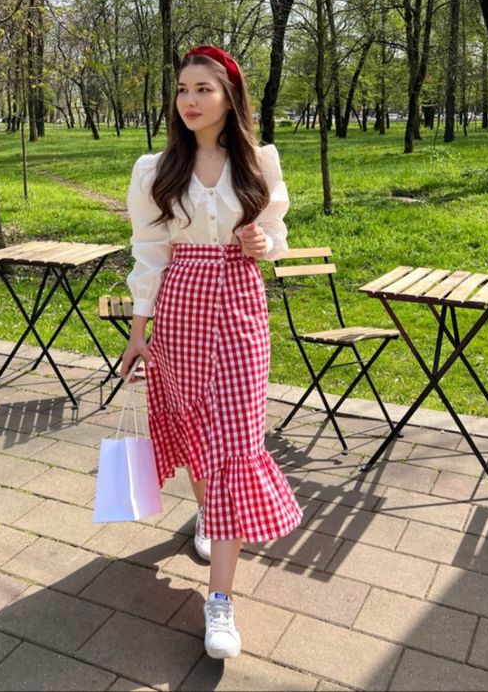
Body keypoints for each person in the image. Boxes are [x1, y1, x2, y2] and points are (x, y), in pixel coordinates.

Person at [120, 45, 302, 660]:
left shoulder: (257, 162)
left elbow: (276, 234)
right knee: (198, 432)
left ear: (229, 97)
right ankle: (207, 519)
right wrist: (138, 327)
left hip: (241, 311)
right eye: (182, 90)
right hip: (180, 313)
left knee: (233, 445)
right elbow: (149, 251)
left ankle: (219, 601)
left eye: (203, 89)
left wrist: (260, 241)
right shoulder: (156, 169)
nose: (190, 101)